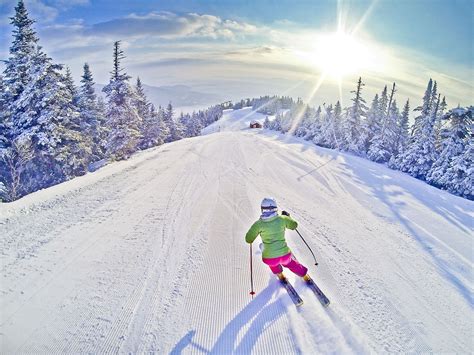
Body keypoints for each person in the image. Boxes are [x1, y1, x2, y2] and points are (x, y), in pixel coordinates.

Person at [245, 197, 311, 282]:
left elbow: (248, 239)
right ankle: (304, 275)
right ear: (275, 208)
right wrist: (288, 217)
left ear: (262, 209)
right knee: (291, 263)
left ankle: (280, 274)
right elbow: (294, 225)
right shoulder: (282, 219)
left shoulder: (258, 224)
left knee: (271, 261)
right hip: (285, 255)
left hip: (269, 258)